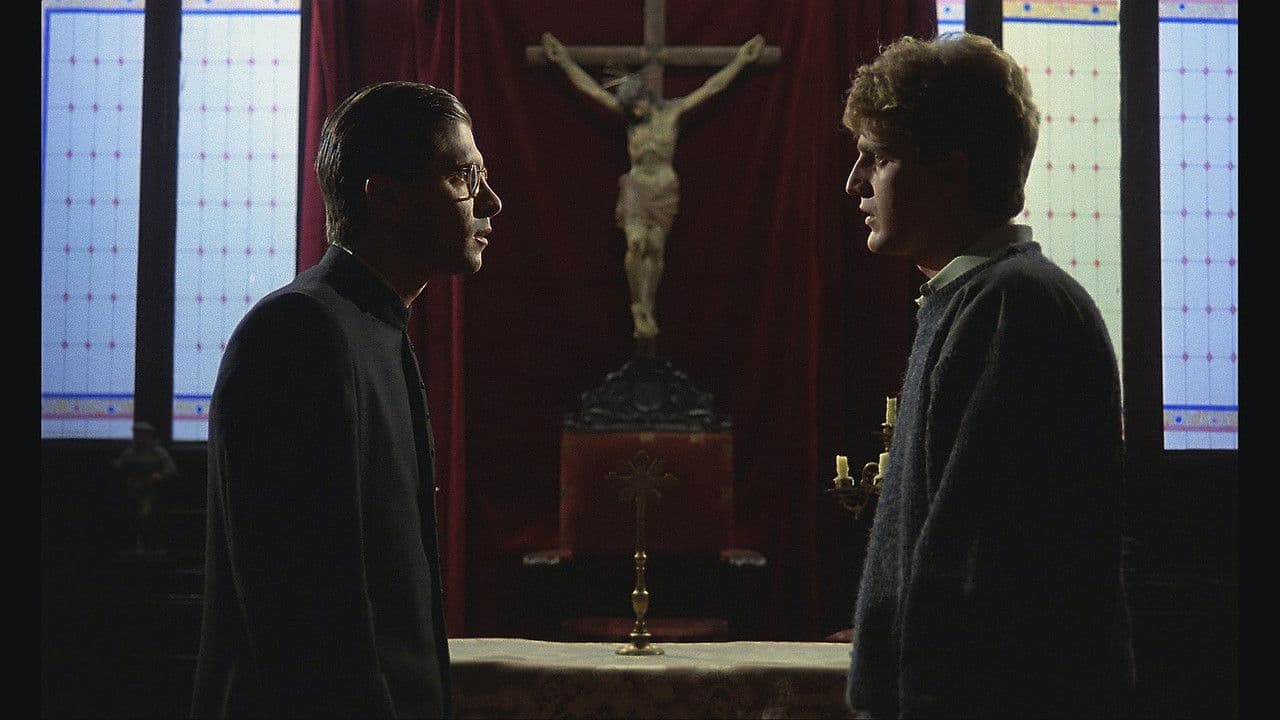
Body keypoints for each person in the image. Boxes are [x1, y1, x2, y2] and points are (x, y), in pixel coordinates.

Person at [840, 33, 1134, 719]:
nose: (854, 183)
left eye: (878, 157)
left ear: (950, 170)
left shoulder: (1012, 306)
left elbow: (980, 567)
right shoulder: (975, 297)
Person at [191, 81, 501, 719]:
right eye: (464, 177)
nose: (490, 201)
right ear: (386, 197)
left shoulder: (368, 327)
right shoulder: (299, 332)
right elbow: (304, 616)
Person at [541, 31, 764, 348]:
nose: (634, 112)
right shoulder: (631, 120)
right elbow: (591, 89)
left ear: (645, 97)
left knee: (655, 248)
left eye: (637, 106)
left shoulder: (671, 112)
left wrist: (741, 61)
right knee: (636, 245)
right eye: (630, 108)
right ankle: (638, 307)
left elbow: (711, 87)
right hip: (636, 187)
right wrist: (564, 61)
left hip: (663, 188)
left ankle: (648, 305)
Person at [112, 420, 178, 555]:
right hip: (133, 491)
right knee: (130, 514)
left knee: (151, 515)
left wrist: (159, 476)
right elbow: (119, 467)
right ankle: (134, 545)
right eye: (137, 435)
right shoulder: (130, 452)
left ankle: (154, 545)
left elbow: (171, 470)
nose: (140, 439)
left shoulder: (158, 452)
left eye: (143, 436)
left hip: (154, 492)